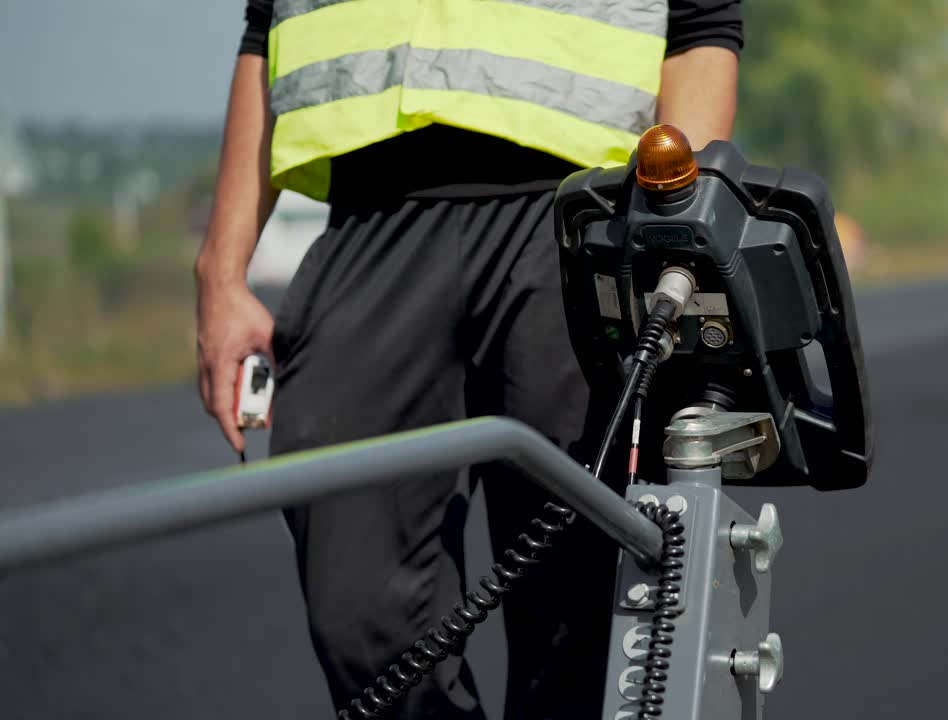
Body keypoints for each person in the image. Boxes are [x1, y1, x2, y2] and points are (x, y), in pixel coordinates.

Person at [194, 1, 742, 717]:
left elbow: (700, 17)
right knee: (355, 605)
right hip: (371, 223)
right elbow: (270, 21)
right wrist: (221, 270)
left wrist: (673, 238)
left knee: (584, 621)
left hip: (582, 217)